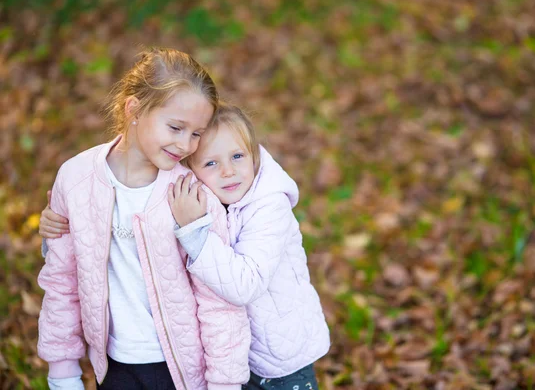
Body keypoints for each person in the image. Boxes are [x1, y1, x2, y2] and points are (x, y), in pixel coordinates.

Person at [41, 103, 330, 389]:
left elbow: (245, 284)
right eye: (211, 163)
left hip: (279, 362)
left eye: (238, 156)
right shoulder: (205, 198)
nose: (228, 171)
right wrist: (63, 226)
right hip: (229, 356)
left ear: (254, 155)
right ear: (191, 169)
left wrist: (195, 232)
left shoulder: (269, 206)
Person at [36, 48, 250, 390]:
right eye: (176, 127)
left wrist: (224, 383)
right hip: (113, 366)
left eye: (197, 133)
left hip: (181, 370)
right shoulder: (76, 179)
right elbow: (62, 281)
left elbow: (218, 303)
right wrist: (62, 370)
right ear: (133, 108)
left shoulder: (192, 195)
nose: (186, 145)